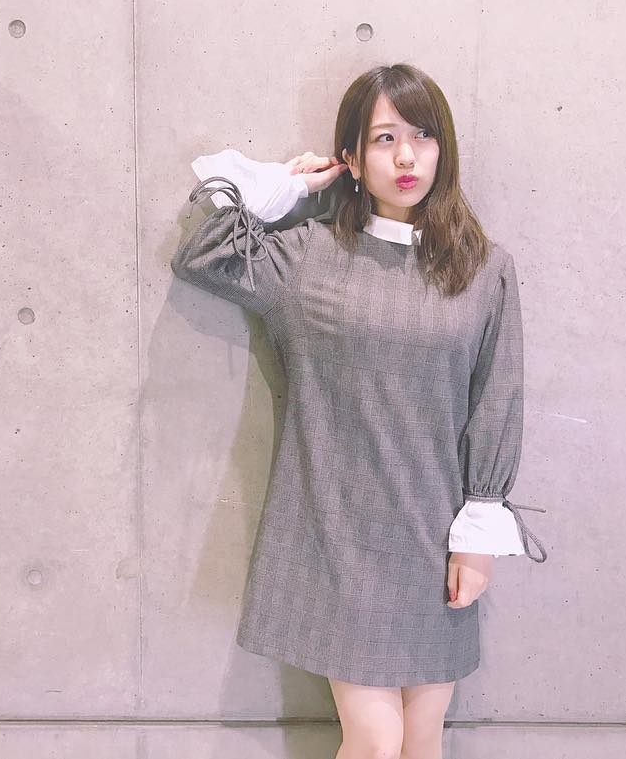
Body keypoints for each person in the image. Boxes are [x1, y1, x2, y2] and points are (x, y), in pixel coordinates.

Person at [170, 62, 549, 759]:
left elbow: (497, 395)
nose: (407, 157)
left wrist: (479, 530)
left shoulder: (482, 269)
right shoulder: (308, 257)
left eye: (423, 135)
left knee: (422, 739)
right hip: (336, 532)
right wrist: (285, 189)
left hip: (436, 535)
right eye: (383, 138)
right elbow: (203, 255)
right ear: (350, 155)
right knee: (376, 739)